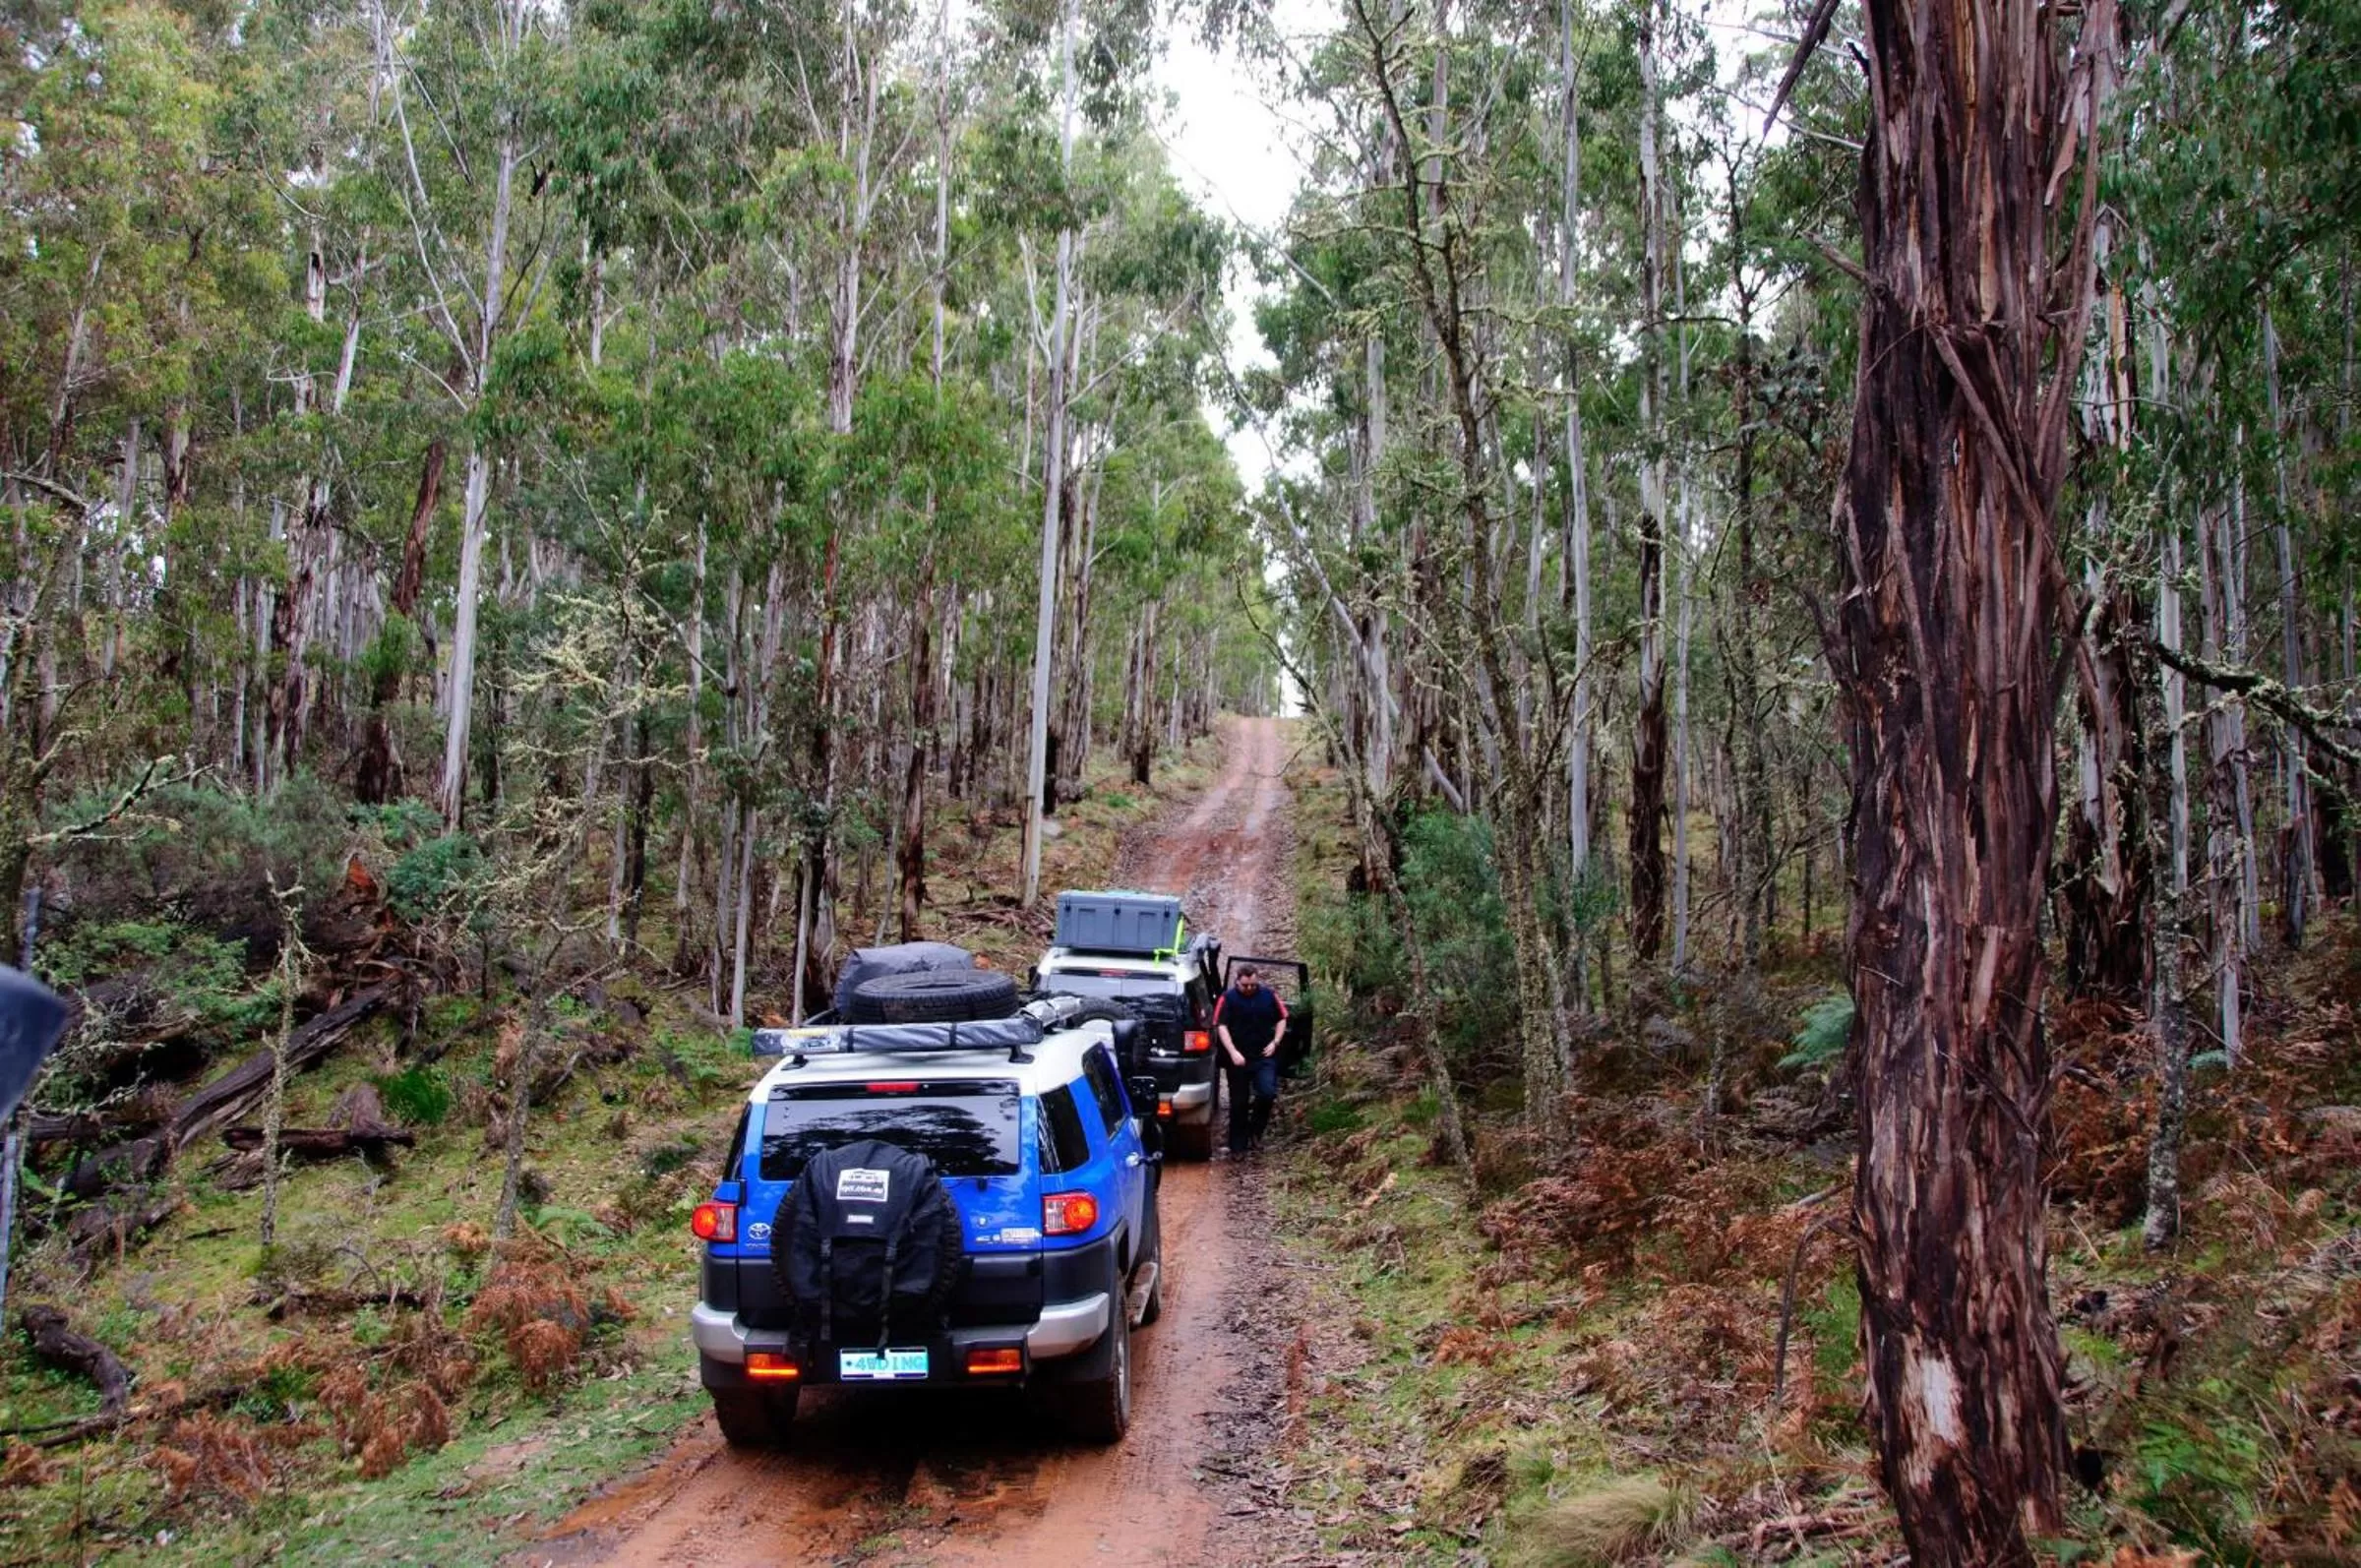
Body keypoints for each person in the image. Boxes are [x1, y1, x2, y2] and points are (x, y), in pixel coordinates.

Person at [1213, 965, 1288, 1156]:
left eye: (1253, 985)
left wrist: (1275, 1042)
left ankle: (1255, 1132)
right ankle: (1237, 1147)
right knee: (1239, 1102)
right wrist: (1232, 1052)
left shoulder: (1269, 995)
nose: (1249, 989)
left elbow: (1282, 1017)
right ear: (1237, 981)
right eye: (1245, 985)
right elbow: (1221, 1025)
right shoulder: (1228, 998)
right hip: (1238, 1058)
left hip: (1264, 1056)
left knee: (1267, 1093)